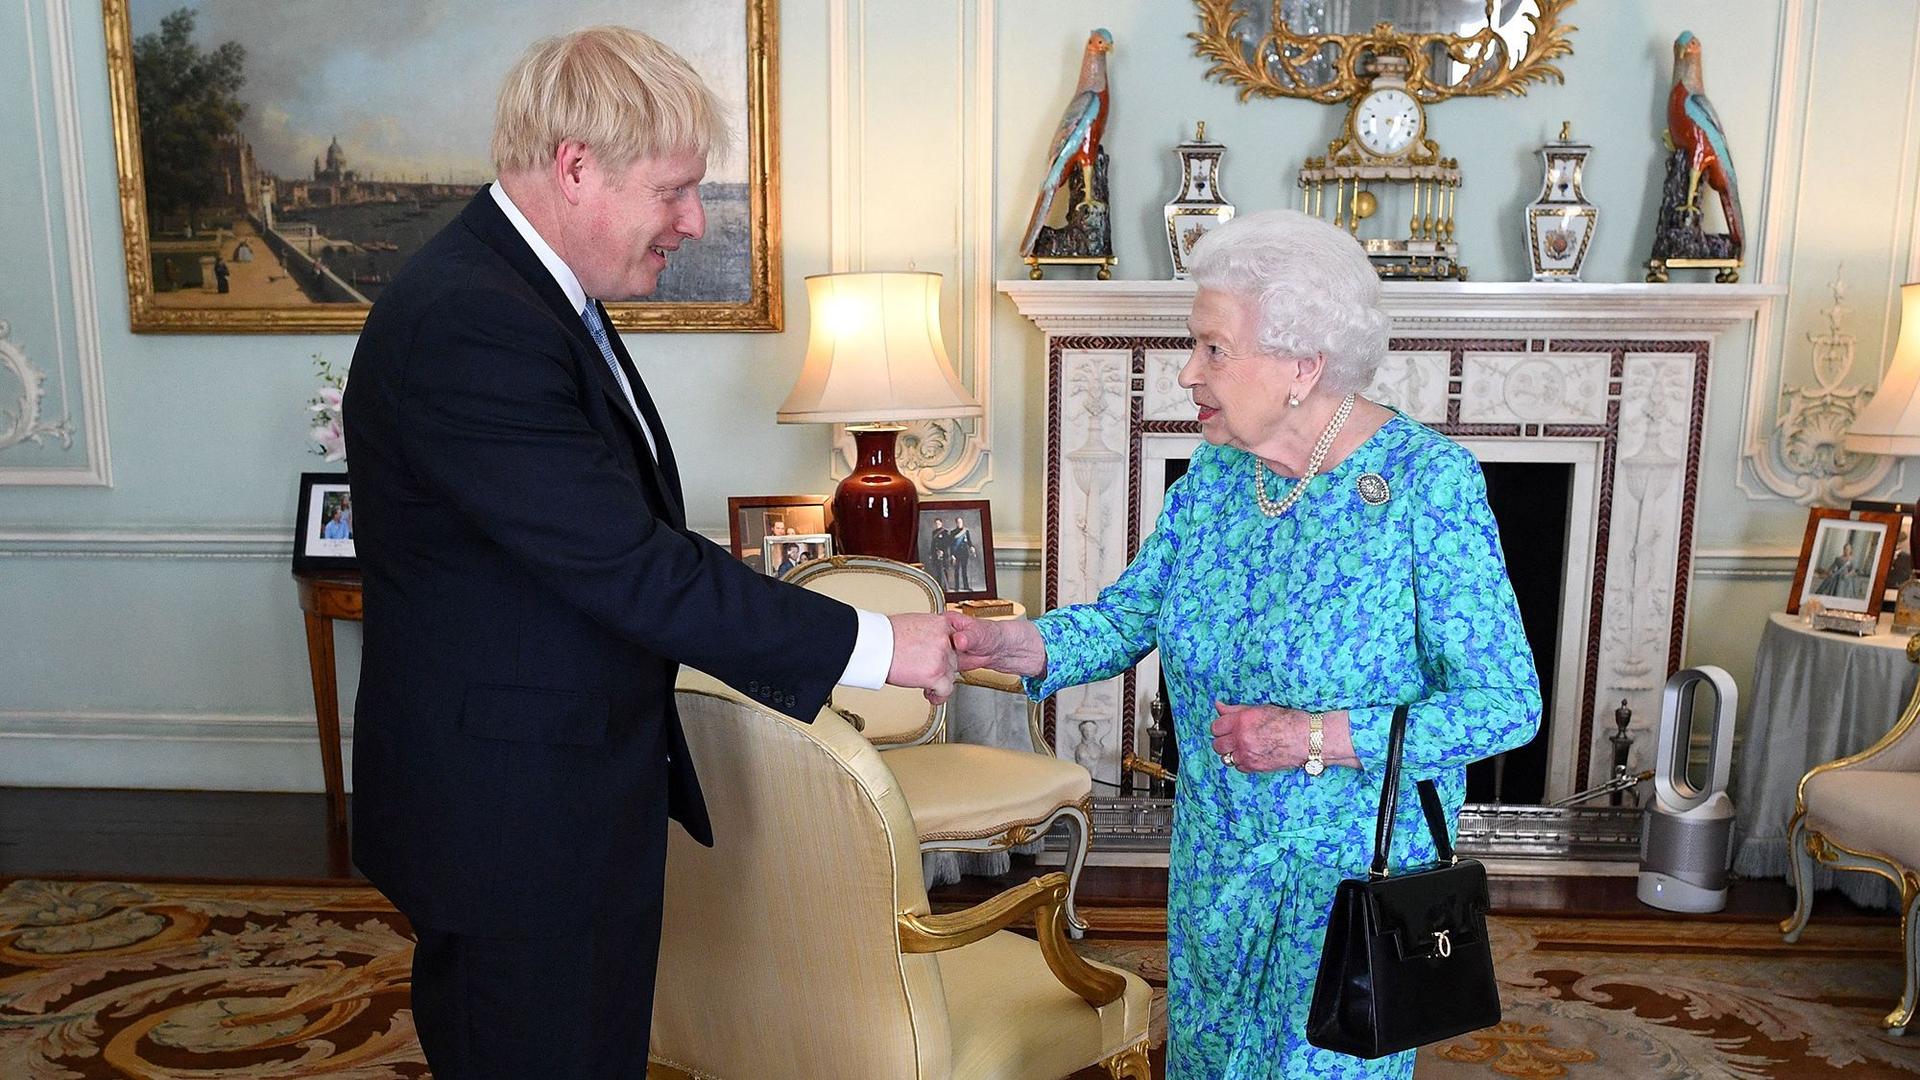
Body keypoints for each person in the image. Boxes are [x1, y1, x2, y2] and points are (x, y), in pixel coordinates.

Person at [340, 27, 956, 1080]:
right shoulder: (469, 322)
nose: (692, 221)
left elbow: (624, 546)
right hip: (511, 818)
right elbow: (627, 562)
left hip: (554, 788)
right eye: (674, 190)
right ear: (576, 166)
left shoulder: (532, 296)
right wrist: (873, 644)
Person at [947, 209, 1542, 1078]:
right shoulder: (1218, 477)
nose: (1188, 373)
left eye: (1213, 349)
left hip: (1350, 880)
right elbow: (1125, 619)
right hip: (1217, 863)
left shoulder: (1427, 487)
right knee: (1209, 1061)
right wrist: (1007, 644)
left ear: (1304, 366)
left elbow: (1504, 704)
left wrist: (1312, 738)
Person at [949, 518, 975, 591]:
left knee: (964, 570)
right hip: (956, 554)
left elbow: (969, 541)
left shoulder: (966, 531)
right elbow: (951, 545)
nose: (959, 523)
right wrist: (952, 555)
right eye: (958, 522)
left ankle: (966, 586)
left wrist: (972, 547)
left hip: (964, 553)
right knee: (956, 571)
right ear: (956, 523)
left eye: (960, 522)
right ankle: (956, 587)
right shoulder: (953, 532)